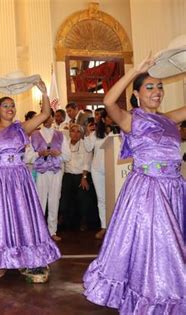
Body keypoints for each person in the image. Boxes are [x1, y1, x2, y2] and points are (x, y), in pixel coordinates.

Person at [83, 55, 186, 314]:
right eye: (149, 87)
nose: (156, 92)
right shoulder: (132, 120)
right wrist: (134, 72)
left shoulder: (170, 118)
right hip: (149, 191)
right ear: (137, 94)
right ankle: (155, 296)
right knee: (161, 245)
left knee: (173, 245)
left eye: (160, 86)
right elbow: (108, 101)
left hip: (174, 188)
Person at [0, 80, 60, 278]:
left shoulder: (22, 128)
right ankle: (1, 260)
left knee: (22, 217)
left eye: (12, 105)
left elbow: (44, 114)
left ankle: (24, 256)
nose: (10, 108)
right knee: (0, 218)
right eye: (5, 106)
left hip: (19, 178)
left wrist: (43, 92)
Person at [28, 109, 71, 241]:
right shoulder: (34, 135)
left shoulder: (61, 135)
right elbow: (27, 157)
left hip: (56, 171)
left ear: (52, 118)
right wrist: (39, 154)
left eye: (49, 117)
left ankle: (52, 231)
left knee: (54, 200)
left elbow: (67, 156)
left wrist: (58, 154)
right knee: (40, 201)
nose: (47, 120)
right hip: (40, 172)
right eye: (44, 117)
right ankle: (40, 231)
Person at [58, 124, 96, 231]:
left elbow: (87, 161)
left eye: (78, 131)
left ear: (82, 133)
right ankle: (62, 217)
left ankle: (83, 220)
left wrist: (84, 177)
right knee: (63, 196)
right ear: (69, 133)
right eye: (73, 131)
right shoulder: (65, 144)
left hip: (81, 175)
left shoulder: (85, 144)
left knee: (83, 197)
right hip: (67, 174)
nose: (75, 134)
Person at [84, 109, 110, 239]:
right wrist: (88, 133)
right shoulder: (96, 134)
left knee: (115, 197)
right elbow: (88, 148)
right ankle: (104, 226)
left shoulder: (118, 132)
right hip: (97, 169)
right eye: (109, 117)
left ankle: (115, 225)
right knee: (101, 199)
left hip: (113, 170)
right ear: (104, 120)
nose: (111, 119)